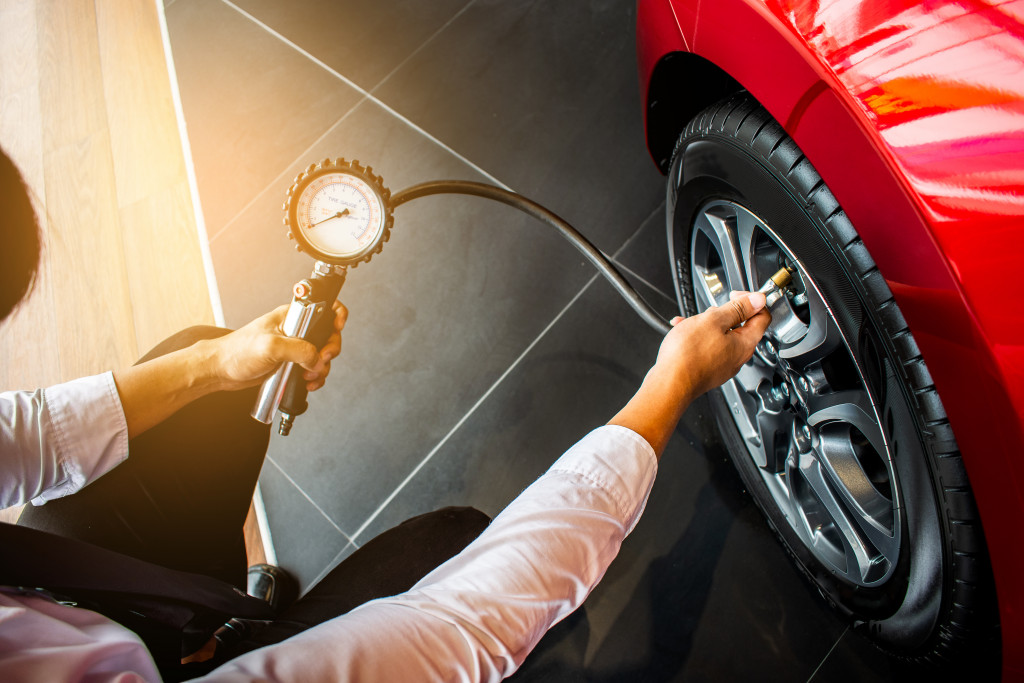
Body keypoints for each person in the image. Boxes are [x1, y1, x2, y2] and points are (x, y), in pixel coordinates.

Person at [0, 146, 770, 681]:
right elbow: (458, 626)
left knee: (201, 374)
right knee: (455, 547)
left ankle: (203, 626)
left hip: (62, 606)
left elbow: (26, 432)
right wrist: (668, 389)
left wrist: (220, 363)